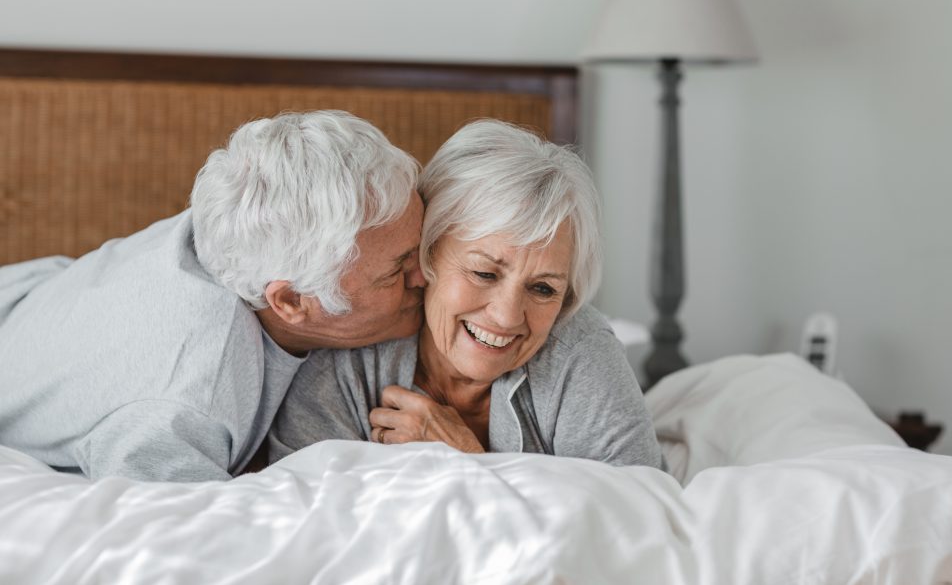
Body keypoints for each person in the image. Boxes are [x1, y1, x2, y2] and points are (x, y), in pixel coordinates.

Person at [0, 110, 426, 482]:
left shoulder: (248, 220)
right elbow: (181, 541)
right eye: (397, 270)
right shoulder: (186, 400)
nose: (426, 276)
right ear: (291, 301)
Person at [270, 120, 663, 468]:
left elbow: (638, 521)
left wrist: (471, 464)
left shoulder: (579, 351)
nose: (508, 316)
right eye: (484, 273)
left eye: (543, 288)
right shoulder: (345, 355)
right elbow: (308, 528)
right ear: (427, 254)